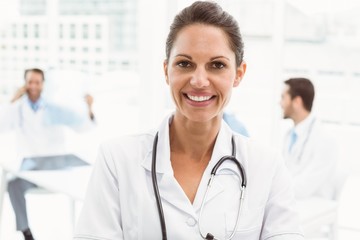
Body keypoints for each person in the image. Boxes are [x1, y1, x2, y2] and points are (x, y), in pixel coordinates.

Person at [74, 2, 303, 239]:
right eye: (185, 63)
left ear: (238, 74)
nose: (199, 80)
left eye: (217, 65)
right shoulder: (117, 160)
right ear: (166, 71)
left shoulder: (267, 167)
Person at [0, 68, 95, 240]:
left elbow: (83, 127)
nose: (33, 86)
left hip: (55, 171)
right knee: (13, 185)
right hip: (29, 172)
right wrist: (13, 101)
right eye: (30, 82)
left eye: (37, 82)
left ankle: (88, 233)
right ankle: (26, 232)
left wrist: (89, 107)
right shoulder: (18, 109)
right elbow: (2, 125)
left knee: (89, 181)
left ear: (43, 84)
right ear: (25, 84)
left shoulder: (54, 108)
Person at [280, 77, 337, 199]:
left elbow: (307, 184)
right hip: (291, 200)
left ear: (297, 102)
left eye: (283, 97)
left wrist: (278, 193)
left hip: (314, 205)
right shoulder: (289, 135)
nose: (280, 103)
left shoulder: (324, 139)